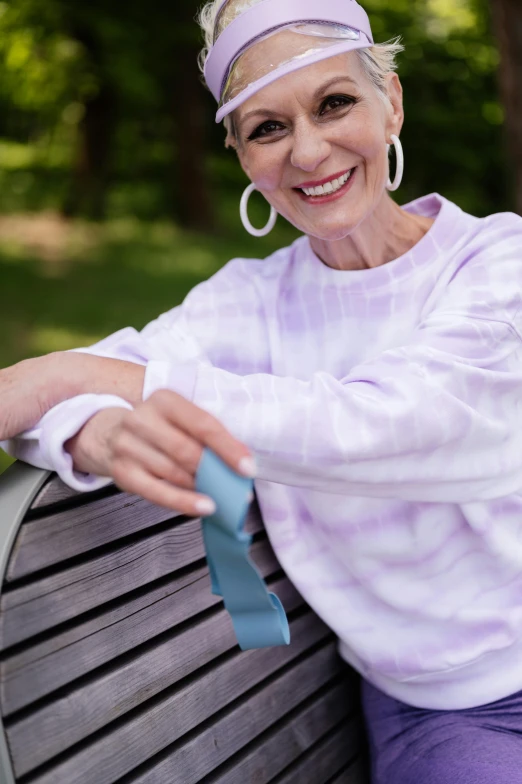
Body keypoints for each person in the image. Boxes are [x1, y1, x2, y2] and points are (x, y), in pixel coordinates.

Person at [2, 1, 522, 781]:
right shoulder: (246, 302)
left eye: (335, 103)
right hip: (452, 709)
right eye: (268, 127)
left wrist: (91, 380)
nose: (308, 151)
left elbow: (401, 423)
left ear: (393, 105)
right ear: (242, 154)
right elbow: (52, 393)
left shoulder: (497, 261)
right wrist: (92, 430)